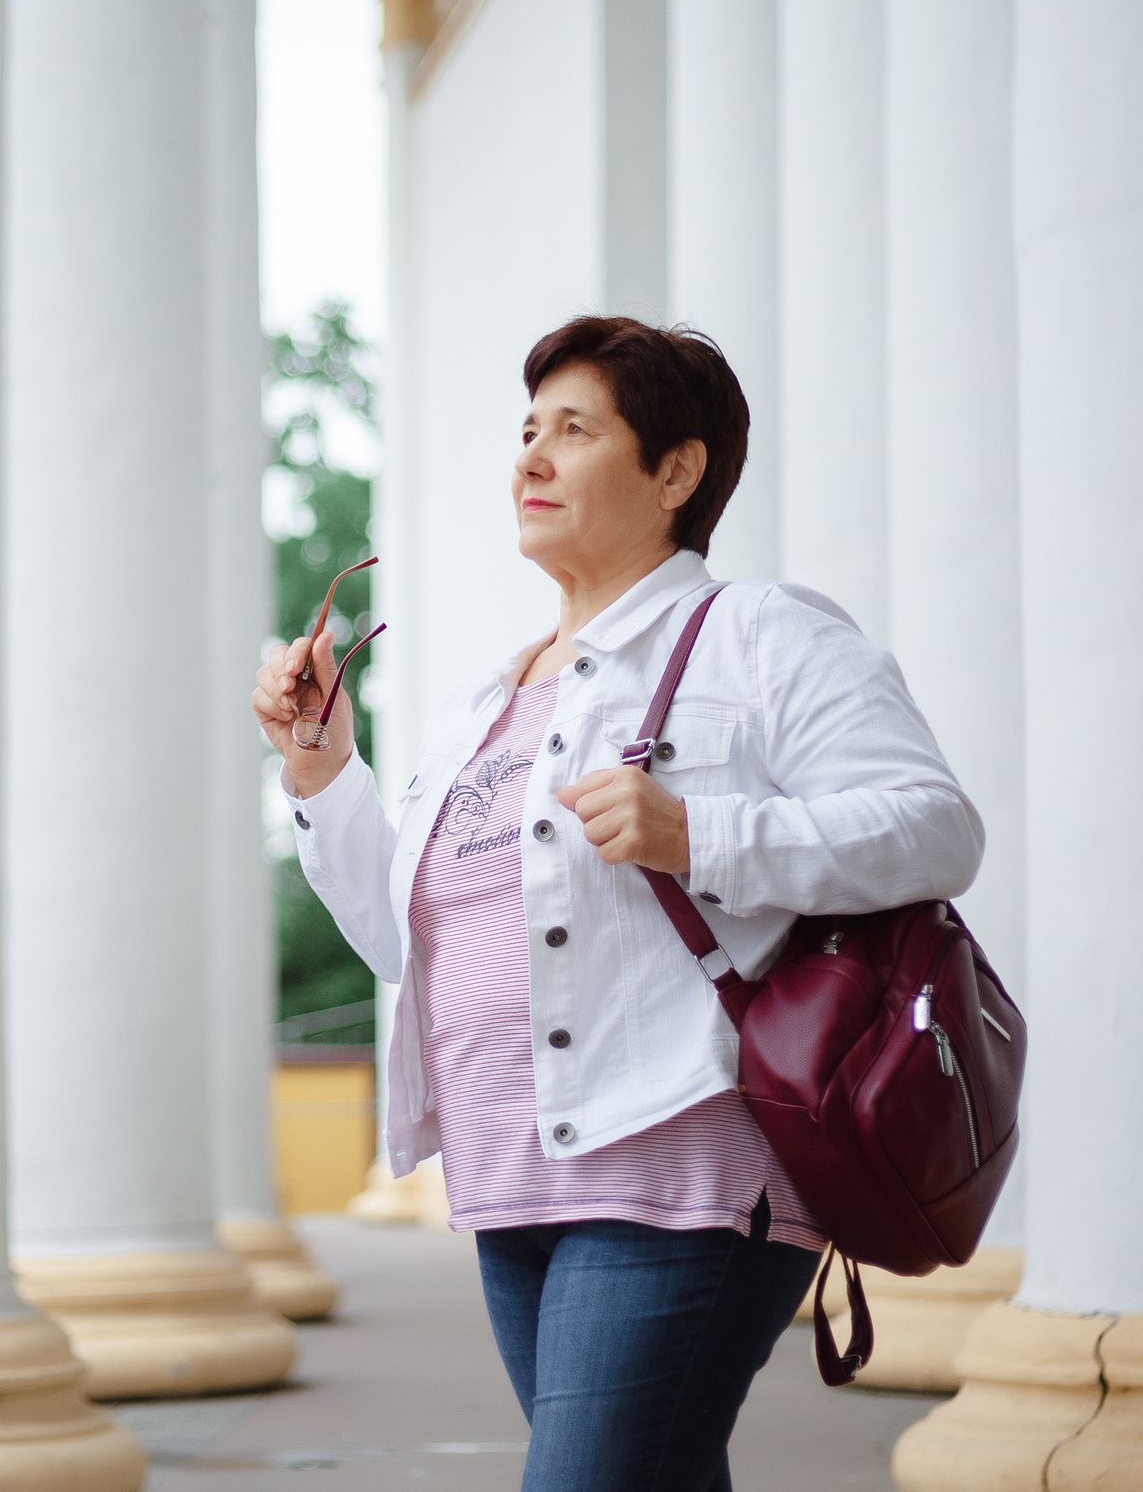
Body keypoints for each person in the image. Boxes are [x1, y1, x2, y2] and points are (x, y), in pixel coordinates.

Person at [253, 316, 982, 1491]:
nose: (529, 458)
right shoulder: (480, 704)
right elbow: (406, 942)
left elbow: (935, 826)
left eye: (573, 430)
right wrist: (323, 774)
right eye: (526, 431)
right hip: (510, 1185)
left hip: (679, 1170)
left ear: (676, 470)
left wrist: (703, 833)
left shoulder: (758, 633)